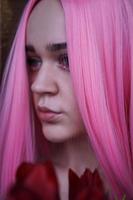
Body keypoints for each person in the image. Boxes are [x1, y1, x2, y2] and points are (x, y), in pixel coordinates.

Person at [0, 0, 133, 199]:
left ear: (116, 61)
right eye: (33, 61)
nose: (38, 85)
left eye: (66, 59)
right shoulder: (19, 183)